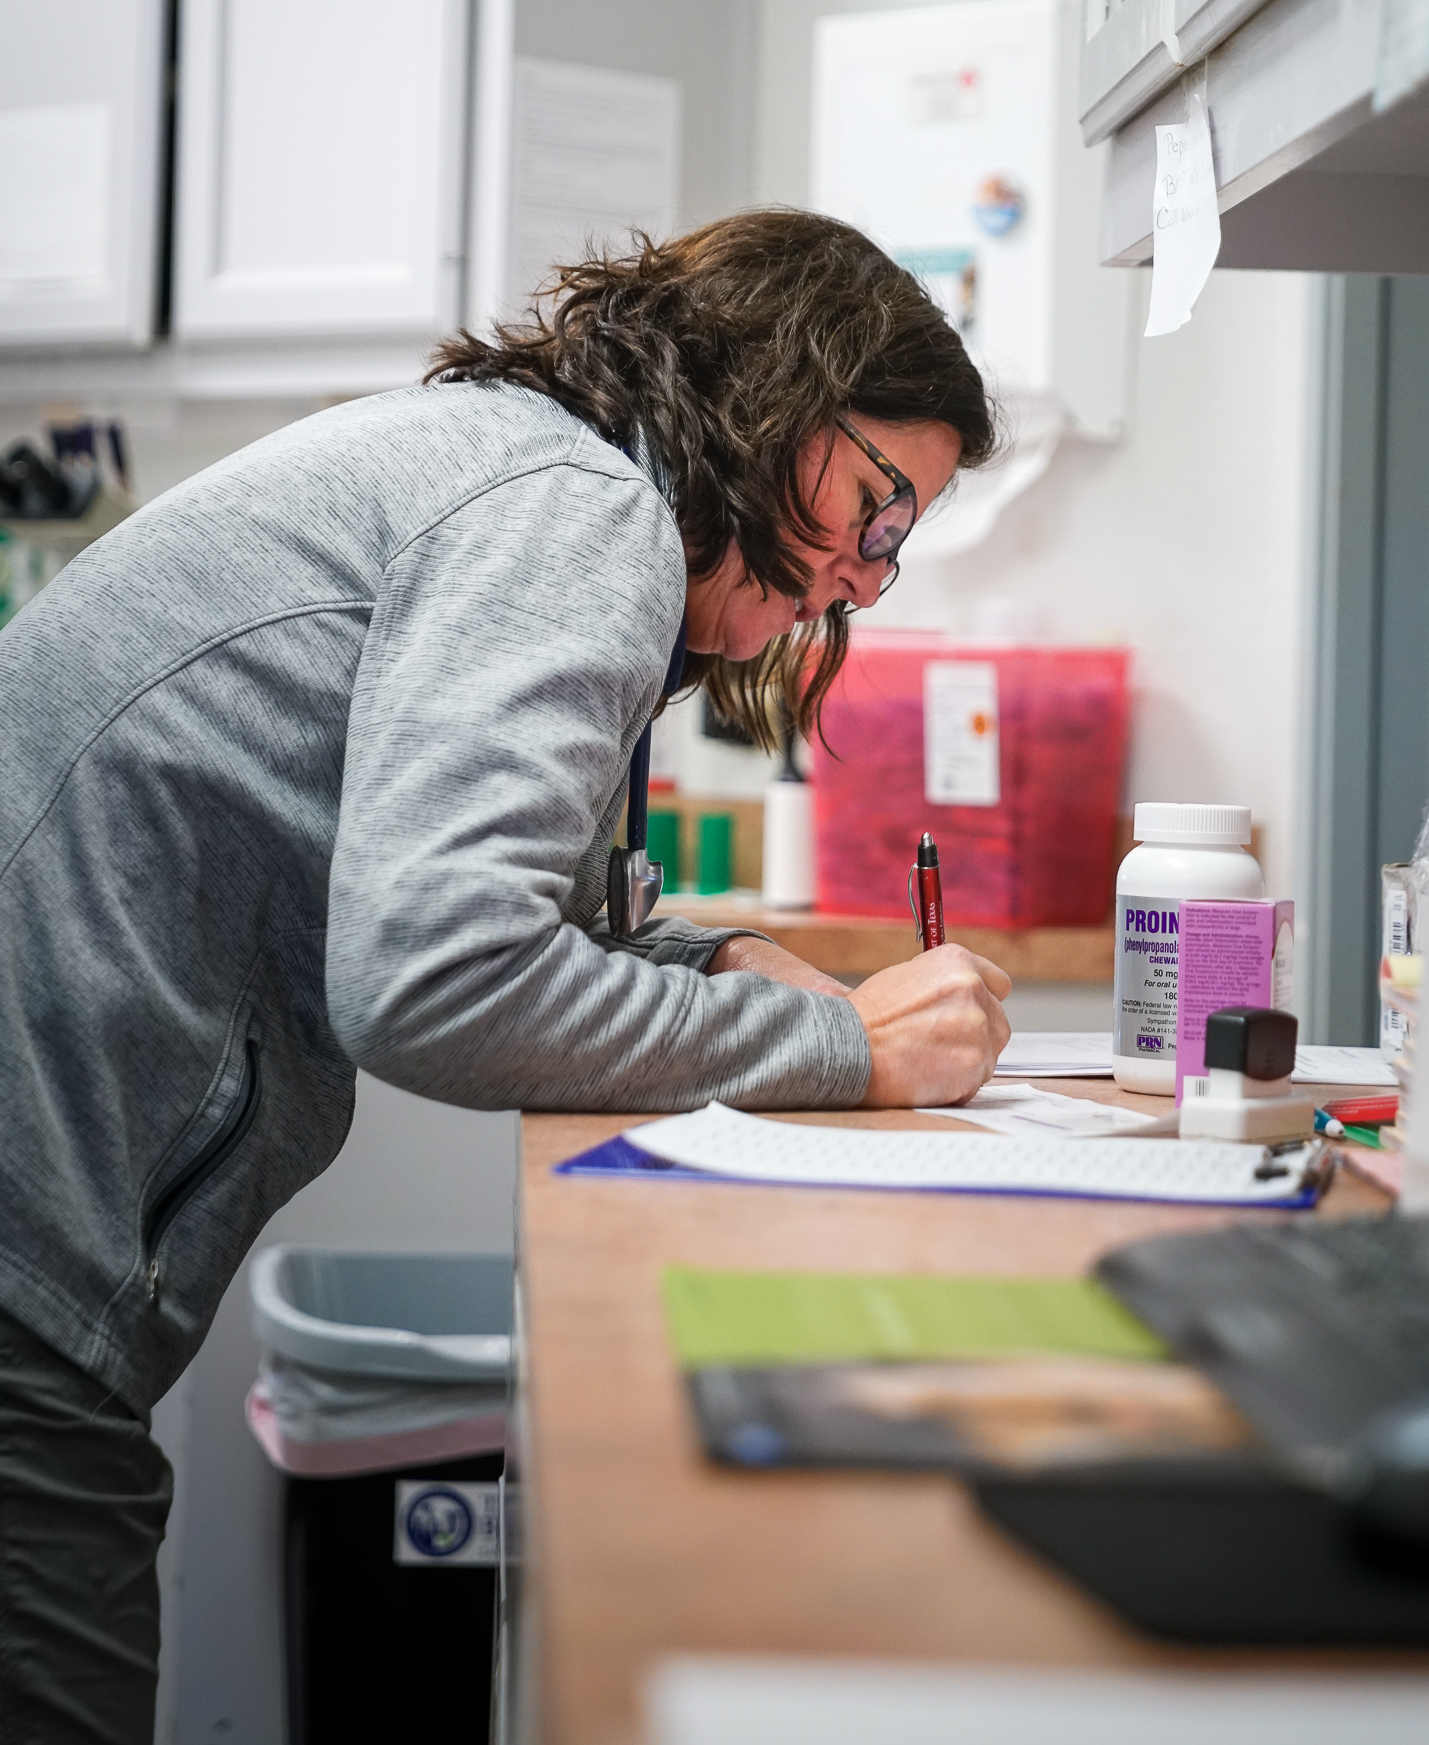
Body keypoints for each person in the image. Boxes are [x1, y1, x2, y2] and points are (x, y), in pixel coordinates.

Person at [0, 208, 1010, 1740]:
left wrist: (728, 957)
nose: (868, 583)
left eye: (898, 544)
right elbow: (439, 982)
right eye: (877, 509)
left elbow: (500, 903)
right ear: (770, 398)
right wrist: (843, 1056)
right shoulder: (577, 516)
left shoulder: (508, 468)